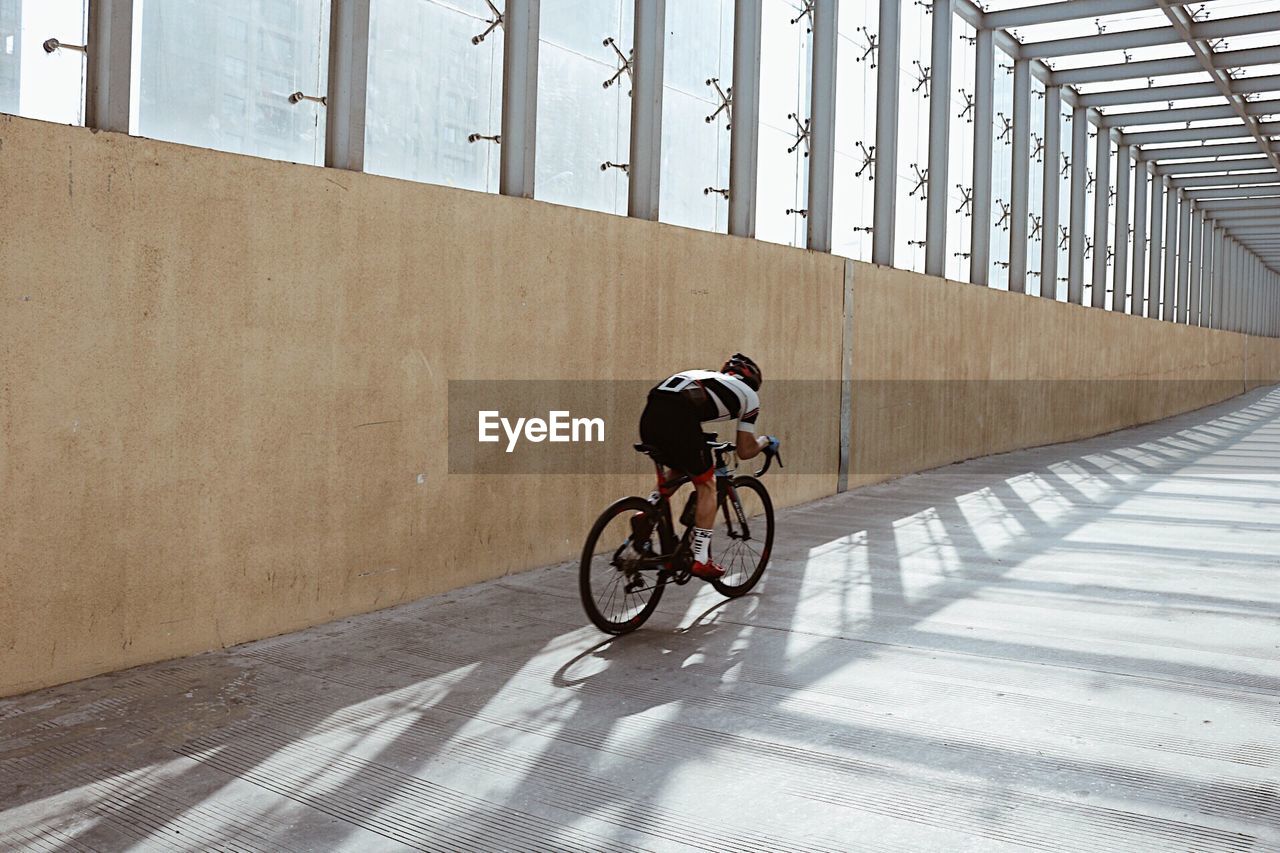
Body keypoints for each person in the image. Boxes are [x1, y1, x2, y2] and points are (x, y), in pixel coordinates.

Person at [638, 353, 779, 580]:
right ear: (753, 380)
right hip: (679, 415)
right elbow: (744, 450)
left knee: (679, 466)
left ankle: (647, 511)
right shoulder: (750, 395)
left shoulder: (707, 376)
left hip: (651, 411)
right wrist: (766, 442)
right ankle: (701, 558)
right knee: (707, 486)